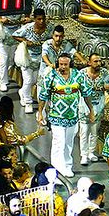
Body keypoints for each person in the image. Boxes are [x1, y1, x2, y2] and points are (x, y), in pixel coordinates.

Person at [39, 52, 85, 181]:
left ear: (70, 64)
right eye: (61, 64)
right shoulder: (51, 76)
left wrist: (91, 111)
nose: (63, 67)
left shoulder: (77, 75)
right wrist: (40, 112)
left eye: (65, 64)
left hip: (73, 117)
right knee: (59, 142)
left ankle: (67, 166)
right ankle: (57, 171)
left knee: (69, 143)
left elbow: (85, 93)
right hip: (56, 116)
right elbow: (43, 95)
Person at [12, 12, 50, 114]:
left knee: (34, 81)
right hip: (27, 58)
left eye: (43, 19)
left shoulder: (49, 29)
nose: (41, 21)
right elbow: (15, 35)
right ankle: (28, 102)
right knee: (28, 80)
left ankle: (22, 92)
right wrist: (25, 41)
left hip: (41, 58)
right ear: (34, 19)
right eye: (39, 19)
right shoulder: (27, 28)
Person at [79, 53, 109, 166]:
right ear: (89, 62)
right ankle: (83, 155)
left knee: (94, 131)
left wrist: (105, 86)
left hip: (98, 105)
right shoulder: (82, 73)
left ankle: (91, 152)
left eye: (99, 61)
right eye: (95, 61)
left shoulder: (105, 73)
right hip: (84, 106)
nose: (98, 63)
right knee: (84, 131)